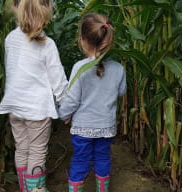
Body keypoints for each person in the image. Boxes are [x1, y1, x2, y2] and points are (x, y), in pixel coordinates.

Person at [0, 0, 68, 191]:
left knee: (22, 149)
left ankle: (24, 188)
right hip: (37, 109)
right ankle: (35, 189)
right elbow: (58, 82)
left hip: (14, 107)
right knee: (37, 152)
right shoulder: (47, 44)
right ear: (46, 15)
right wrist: (67, 107)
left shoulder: (10, 38)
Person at [59, 13, 127, 192]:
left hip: (83, 128)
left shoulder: (80, 67)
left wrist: (64, 114)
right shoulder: (119, 69)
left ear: (82, 40)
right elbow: (121, 92)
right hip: (106, 127)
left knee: (80, 161)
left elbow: (72, 99)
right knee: (103, 159)